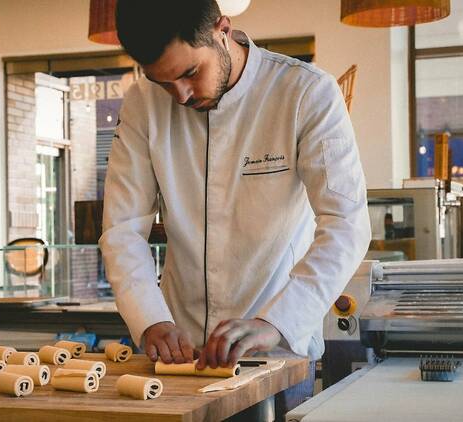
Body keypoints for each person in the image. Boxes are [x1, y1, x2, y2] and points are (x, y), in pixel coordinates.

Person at [99, 0, 371, 414]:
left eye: (190, 72)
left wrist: (275, 321)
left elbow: (347, 225)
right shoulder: (142, 104)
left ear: (222, 30)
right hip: (180, 356)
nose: (182, 95)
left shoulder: (306, 92)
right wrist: (150, 319)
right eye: (164, 83)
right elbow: (122, 230)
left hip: (277, 349)